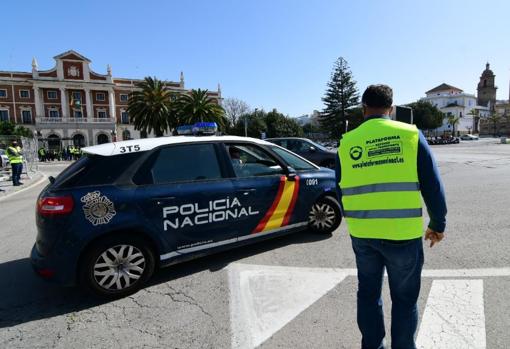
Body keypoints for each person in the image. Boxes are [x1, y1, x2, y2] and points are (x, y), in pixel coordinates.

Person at [336, 84, 447, 349]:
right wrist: (437, 223)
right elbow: (432, 186)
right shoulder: (410, 135)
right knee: (405, 300)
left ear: (363, 110)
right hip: (402, 235)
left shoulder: (347, 141)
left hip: (363, 235)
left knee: (368, 294)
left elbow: (340, 188)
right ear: (392, 108)